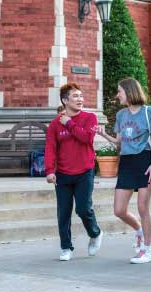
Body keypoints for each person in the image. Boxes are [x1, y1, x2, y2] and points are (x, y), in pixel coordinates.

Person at [95, 77, 151, 264]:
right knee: (119, 210)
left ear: (130, 91)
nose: (118, 95)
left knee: (143, 208)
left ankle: (147, 250)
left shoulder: (149, 112)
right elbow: (119, 142)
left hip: (144, 160)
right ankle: (139, 231)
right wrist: (103, 134)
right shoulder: (121, 115)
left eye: (120, 91)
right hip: (126, 161)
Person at [45, 83, 103, 261]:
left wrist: (69, 123)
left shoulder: (90, 118)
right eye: (75, 96)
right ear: (65, 101)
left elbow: (86, 138)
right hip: (62, 173)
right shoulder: (55, 124)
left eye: (81, 96)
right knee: (63, 212)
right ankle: (66, 247)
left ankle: (95, 233)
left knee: (83, 208)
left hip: (85, 171)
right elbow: (50, 148)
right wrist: (49, 170)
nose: (80, 99)